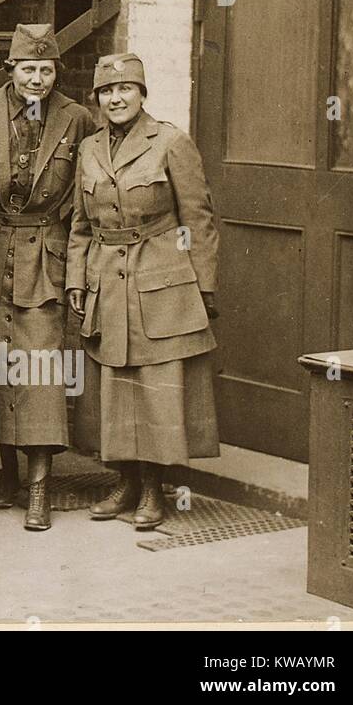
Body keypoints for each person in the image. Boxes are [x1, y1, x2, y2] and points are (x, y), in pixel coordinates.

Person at [66, 53, 221, 531]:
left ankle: (155, 489)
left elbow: (199, 219)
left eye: (126, 89)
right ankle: (126, 482)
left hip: (162, 280)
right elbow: (79, 224)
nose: (116, 98)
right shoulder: (89, 148)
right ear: (97, 98)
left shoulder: (171, 141)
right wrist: (76, 278)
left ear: (142, 93)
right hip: (106, 280)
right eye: (107, 92)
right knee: (115, 390)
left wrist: (205, 286)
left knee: (156, 390)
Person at [0, 24, 95, 530]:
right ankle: (7, 473)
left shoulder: (77, 119)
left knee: (40, 368)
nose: (37, 79)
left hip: (47, 253)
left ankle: (40, 486)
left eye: (46, 69)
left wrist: (74, 271)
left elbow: (82, 204)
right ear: (9, 70)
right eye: (28, 69)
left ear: (56, 72)